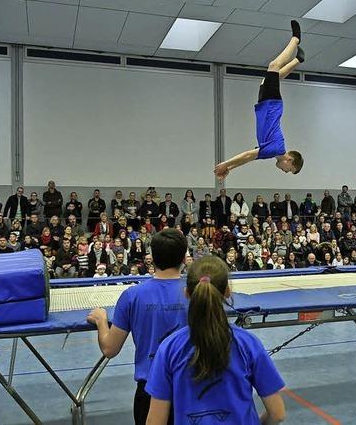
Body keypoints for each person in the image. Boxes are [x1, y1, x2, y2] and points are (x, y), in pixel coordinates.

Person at [145, 255, 286, 425]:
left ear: (187, 293)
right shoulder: (247, 344)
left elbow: (155, 421)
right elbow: (277, 413)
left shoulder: (170, 348)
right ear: (227, 292)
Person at [86, 229, 189, 425]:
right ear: (184, 257)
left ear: (152, 259)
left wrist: (101, 320)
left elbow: (109, 348)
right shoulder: (198, 293)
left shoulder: (132, 296)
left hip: (150, 388)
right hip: (192, 387)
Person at [214, 21, 304, 181]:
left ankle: (298, 60)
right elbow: (248, 154)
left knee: (269, 79)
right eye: (289, 170)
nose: (285, 171)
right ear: (289, 160)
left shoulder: (272, 153)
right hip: (271, 106)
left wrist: (230, 168)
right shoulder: (276, 149)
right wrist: (225, 164)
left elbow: (248, 158)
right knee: (274, 66)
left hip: (267, 106)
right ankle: (296, 39)